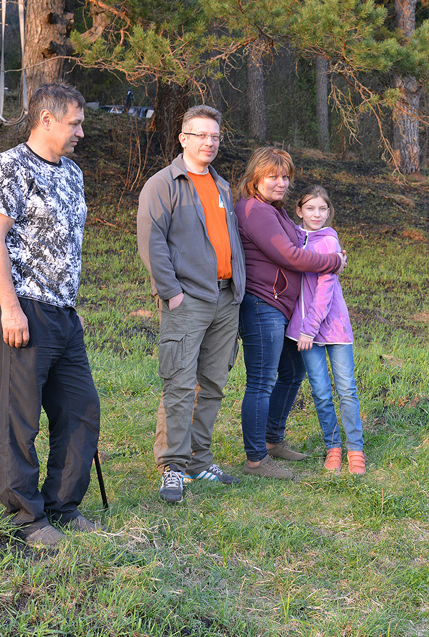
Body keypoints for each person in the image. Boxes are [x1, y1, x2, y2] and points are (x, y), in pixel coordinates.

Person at [0, 82, 102, 548]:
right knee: (21, 417)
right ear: (45, 119)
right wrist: (10, 309)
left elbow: (65, 246)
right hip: (21, 305)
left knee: (80, 408)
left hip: (61, 312)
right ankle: (25, 517)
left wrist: (71, 305)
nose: (81, 133)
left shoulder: (72, 173)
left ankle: (63, 505)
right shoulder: (7, 167)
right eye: (75, 123)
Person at [137, 105, 245, 503]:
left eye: (215, 136)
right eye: (200, 135)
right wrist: (172, 292)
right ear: (183, 138)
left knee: (212, 383)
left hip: (226, 298)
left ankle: (199, 460)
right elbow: (152, 242)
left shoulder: (221, 186)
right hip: (187, 300)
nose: (209, 142)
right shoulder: (162, 185)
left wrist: (238, 287)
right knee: (180, 384)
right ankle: (173, 467)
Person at [235, 148, 346, 480]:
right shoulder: (255, 210)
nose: (281, 183)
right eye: (273, 176)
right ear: (256, 177)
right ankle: (256, 459)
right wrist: (333, 262)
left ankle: (272, 439)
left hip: (283, 307)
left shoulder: (275, 210)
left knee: (292, 371)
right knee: (261, 381)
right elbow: (291, 256)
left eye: (285, 177)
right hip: (262, 305)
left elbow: (302, 243)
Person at [285, 186, 365, 474]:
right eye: (310, 208)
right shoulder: (292, 238)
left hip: (332, 327)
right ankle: (333, 448)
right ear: (299, 211)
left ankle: (355, 449)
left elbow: (325, 289)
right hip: (305, 331)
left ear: (328, 211)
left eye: (322, 209)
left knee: (346, 390)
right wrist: (303, 329)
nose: (316, 214)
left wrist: (309, 329)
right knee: (320, 392)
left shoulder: (329, 240)